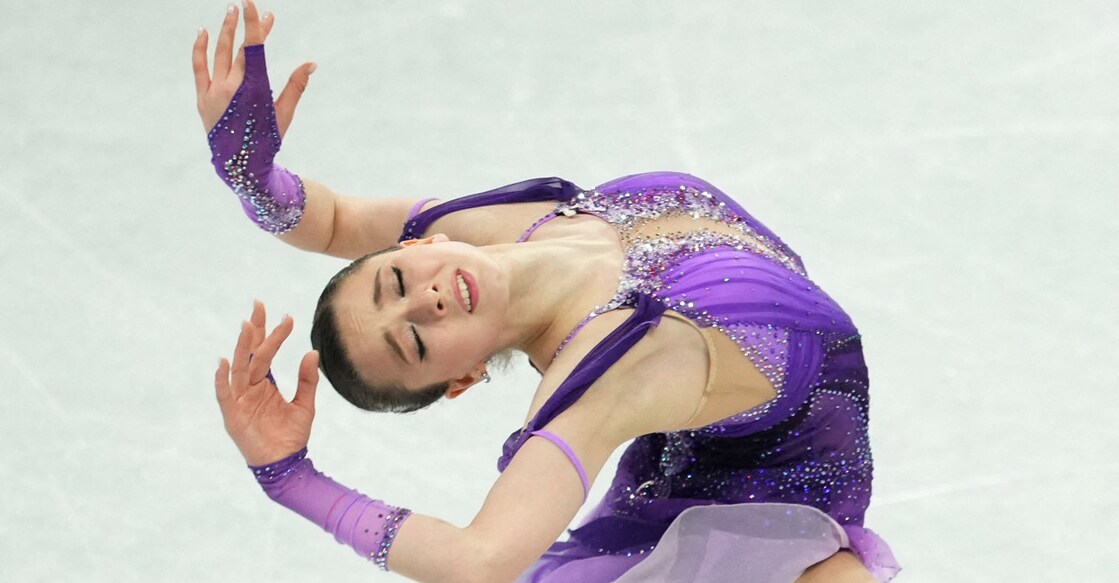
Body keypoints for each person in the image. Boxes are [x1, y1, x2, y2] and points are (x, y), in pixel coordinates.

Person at [196, 3, 900, 581]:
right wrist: (288, 477)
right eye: (414, 340)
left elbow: (335, 220)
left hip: (718, 437)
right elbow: (480, 560)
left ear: (420, 247)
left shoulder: (487, 226)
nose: (425, 300)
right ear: (464, 377)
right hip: (793, 466)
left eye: (397, 280)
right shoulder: (597, 378)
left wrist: (253, 179)